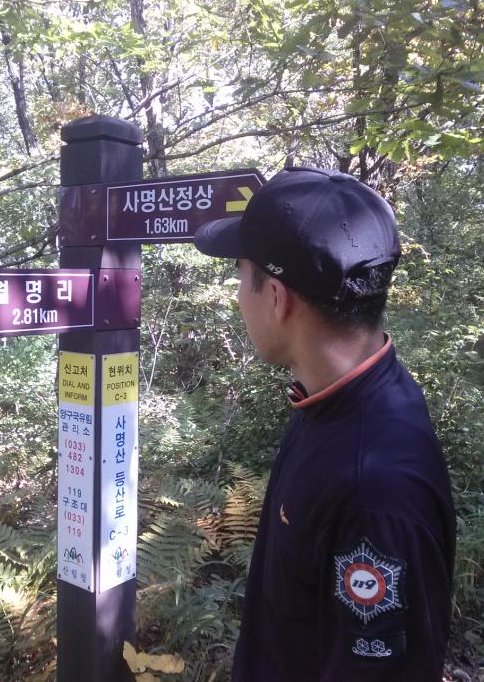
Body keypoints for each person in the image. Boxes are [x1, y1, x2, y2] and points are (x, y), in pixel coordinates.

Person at [194, 166, 456, 682]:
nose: (238, 297)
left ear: (276, 297)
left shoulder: (372, 487)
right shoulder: (344, 396)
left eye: (241, 277)